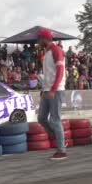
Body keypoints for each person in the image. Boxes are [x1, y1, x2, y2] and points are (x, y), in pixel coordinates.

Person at [37, 28, 67, 161]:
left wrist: (54, 89)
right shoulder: (47, 52)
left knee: (55, 119)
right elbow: (49, 74)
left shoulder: (56, 50)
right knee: (42, 118)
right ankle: (60, 138)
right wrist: (44, 90)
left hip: (56, 90)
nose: (38, 41)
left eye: (40, 39)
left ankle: (61, 150)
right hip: (48, 89)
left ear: (45, 39)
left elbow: (60, 70)